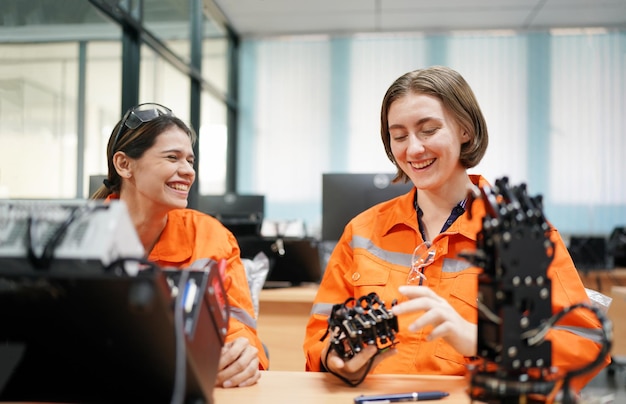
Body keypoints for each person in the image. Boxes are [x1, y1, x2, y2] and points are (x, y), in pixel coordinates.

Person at [303, 66, 610, 393]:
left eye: (429, 130)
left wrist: (484, 343)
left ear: (465, 130)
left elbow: (584, 345)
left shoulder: (519, 232)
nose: (413, 149)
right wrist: (334, 358)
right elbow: (319, 336)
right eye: (399, 135)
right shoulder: (362, 231)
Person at [92, 102, 269, 388]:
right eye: (173, 157)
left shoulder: (211, 237)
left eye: (190, 160)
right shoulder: (81, 236)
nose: (187, 171)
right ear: (124, 165)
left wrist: (242, 354)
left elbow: (238, 328)